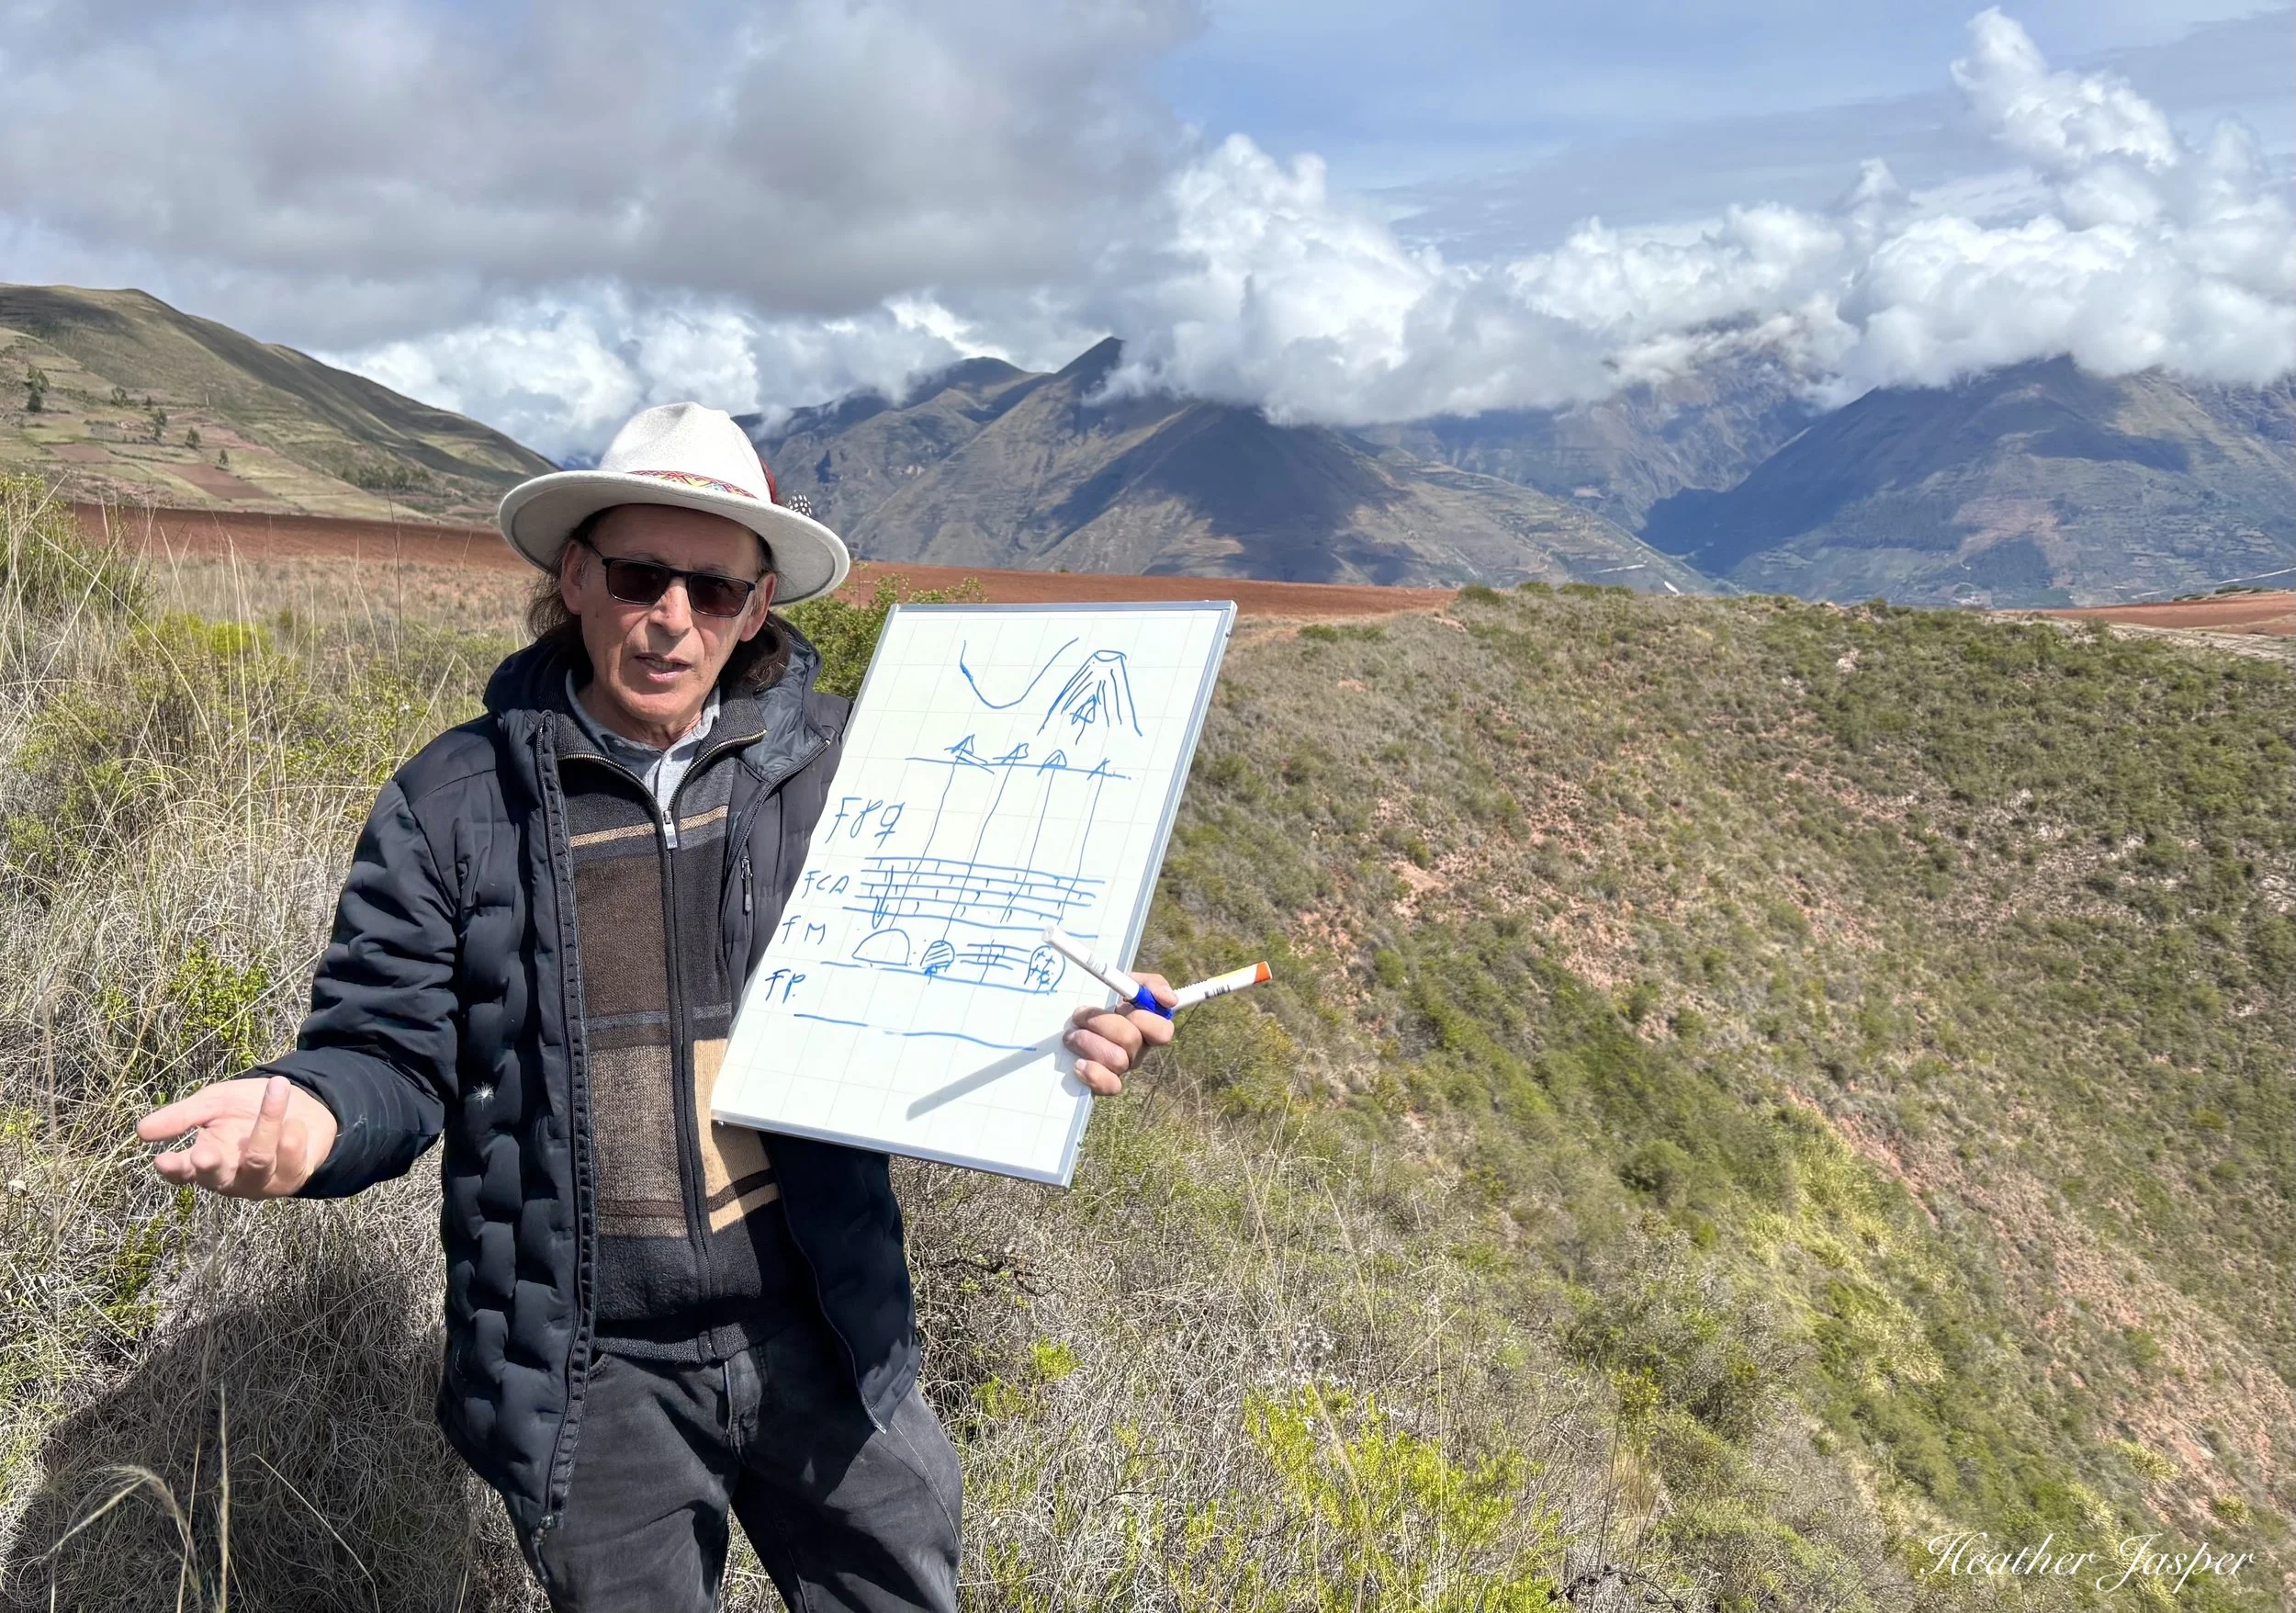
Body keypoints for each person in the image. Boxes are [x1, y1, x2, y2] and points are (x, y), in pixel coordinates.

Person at [134, 402, 1176, 1612]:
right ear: (575, 576)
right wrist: (313, 1113)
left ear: (760, 604)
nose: (673, 617)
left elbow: (973, 961)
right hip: (593, 1371)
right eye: (638, 576)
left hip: (826, 1332)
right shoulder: (453, 804)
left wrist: (1080, 1014)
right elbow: (388, 1047)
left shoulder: (860, 773)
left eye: (715, 591)